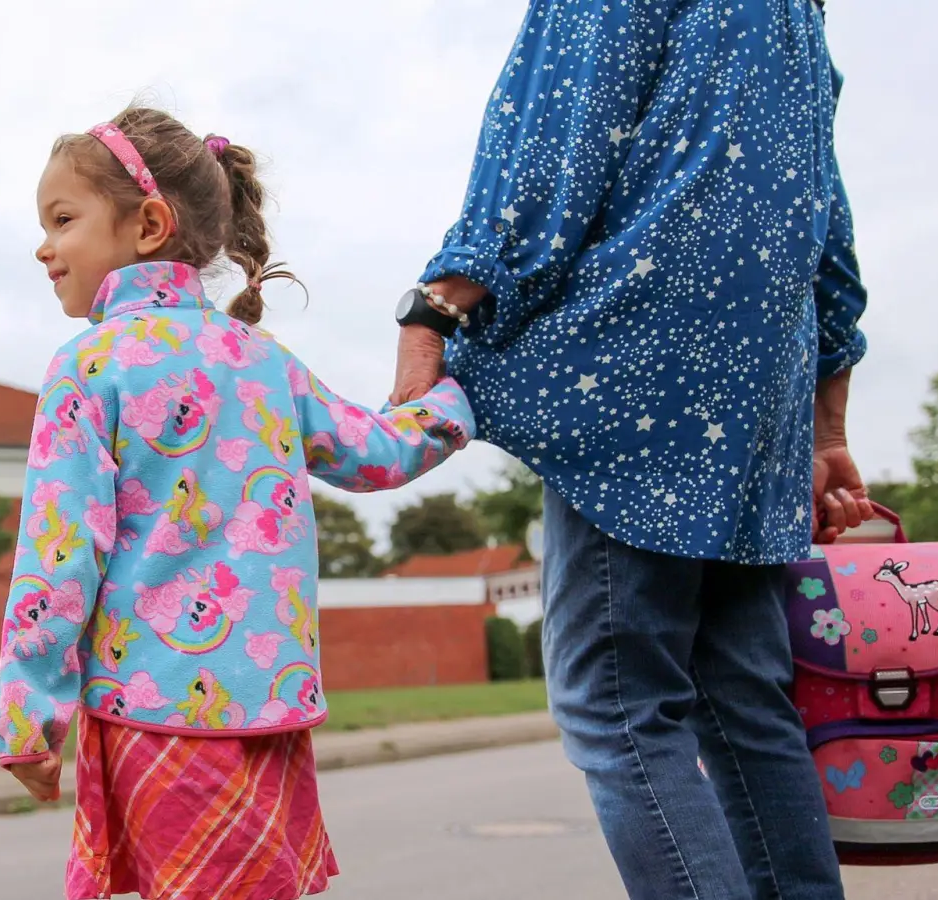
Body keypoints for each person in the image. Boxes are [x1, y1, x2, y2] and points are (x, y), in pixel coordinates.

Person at [390, 2, 873, 898]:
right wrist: (825, 417)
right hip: (758, 385)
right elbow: (824, 220)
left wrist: (437, 306)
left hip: (642, 373)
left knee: (617, 703)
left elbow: (557, 135)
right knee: (743, 700)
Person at [0, 106, 475, 900]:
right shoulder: (264, 362)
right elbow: (378, 454)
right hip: (269, 714)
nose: (44, 247)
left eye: (63, 219)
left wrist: (29, 715)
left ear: (148, 223)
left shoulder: (90, 366)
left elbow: (59, 554)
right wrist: (455, 401)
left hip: (156, 715)